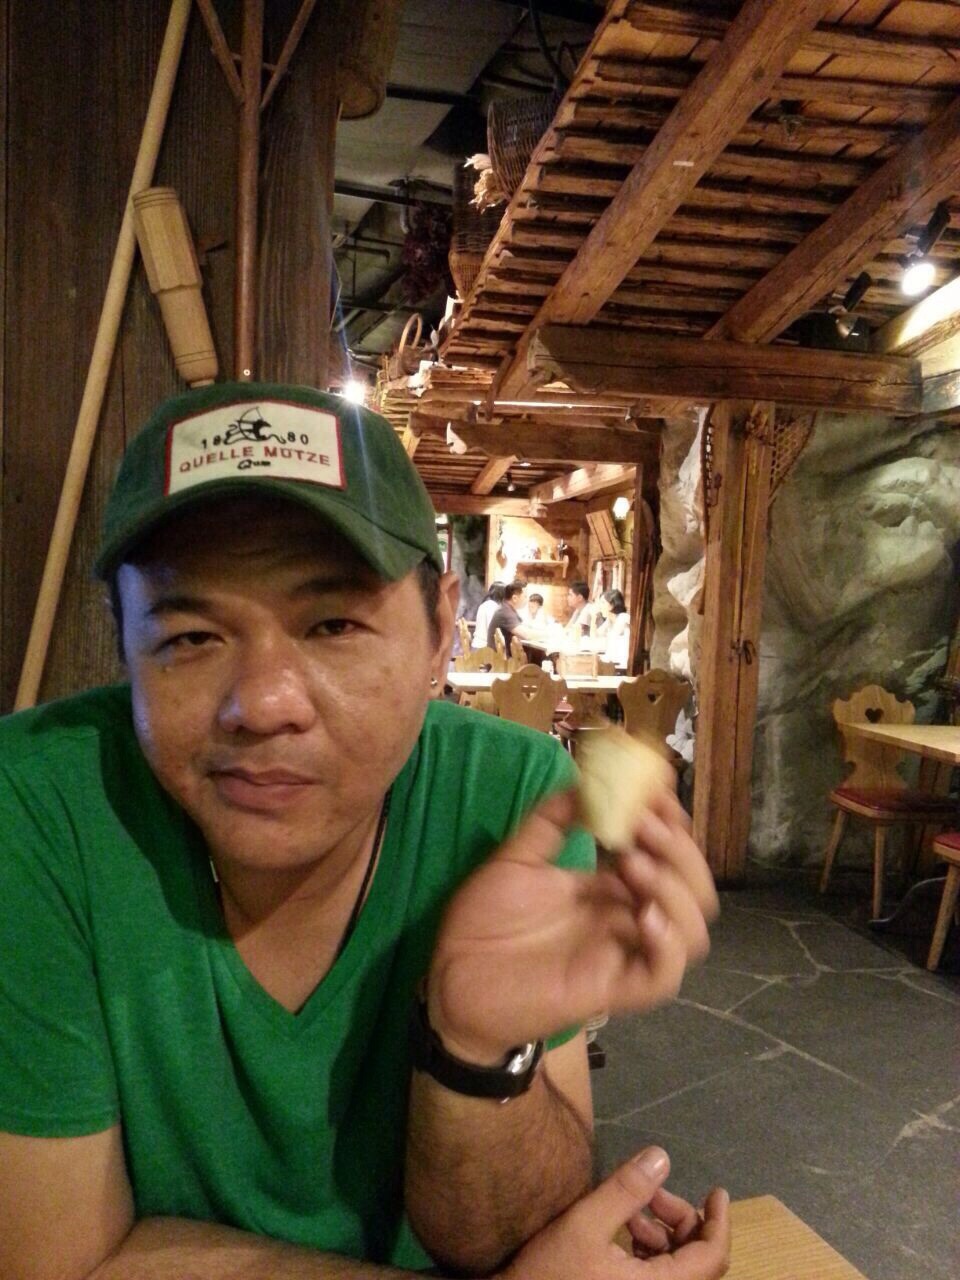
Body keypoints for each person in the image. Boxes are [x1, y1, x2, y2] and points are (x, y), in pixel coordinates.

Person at [0, 382, 728, 1280]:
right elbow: (56, 1263)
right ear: (123, 646)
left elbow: (508, 1241)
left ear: (439, 632)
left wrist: (476, 1049)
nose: (263, 703)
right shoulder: (35, 808)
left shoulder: (507, 801)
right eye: (189, 637)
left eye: (334, 623)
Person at [595, 588, 630, 668]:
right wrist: (593, 617)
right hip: (613, 661)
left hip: (621, 665)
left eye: (603, 603)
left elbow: (612, 642)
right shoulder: (610, 620)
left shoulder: (623, 618)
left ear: (612, 605)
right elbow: (596, 636)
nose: (600, 606)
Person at [472, 581, 505, 650]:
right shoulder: (493, 607)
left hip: (477, 645)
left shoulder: (485, 604)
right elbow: (493, 630)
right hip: (484, 647)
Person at [564, 580, 593, 647]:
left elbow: (575, 632)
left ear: (580, 598)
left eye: (570, 595)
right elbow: (567, 629)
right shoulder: (578, 610)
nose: (567, 598)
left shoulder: (589, 609)